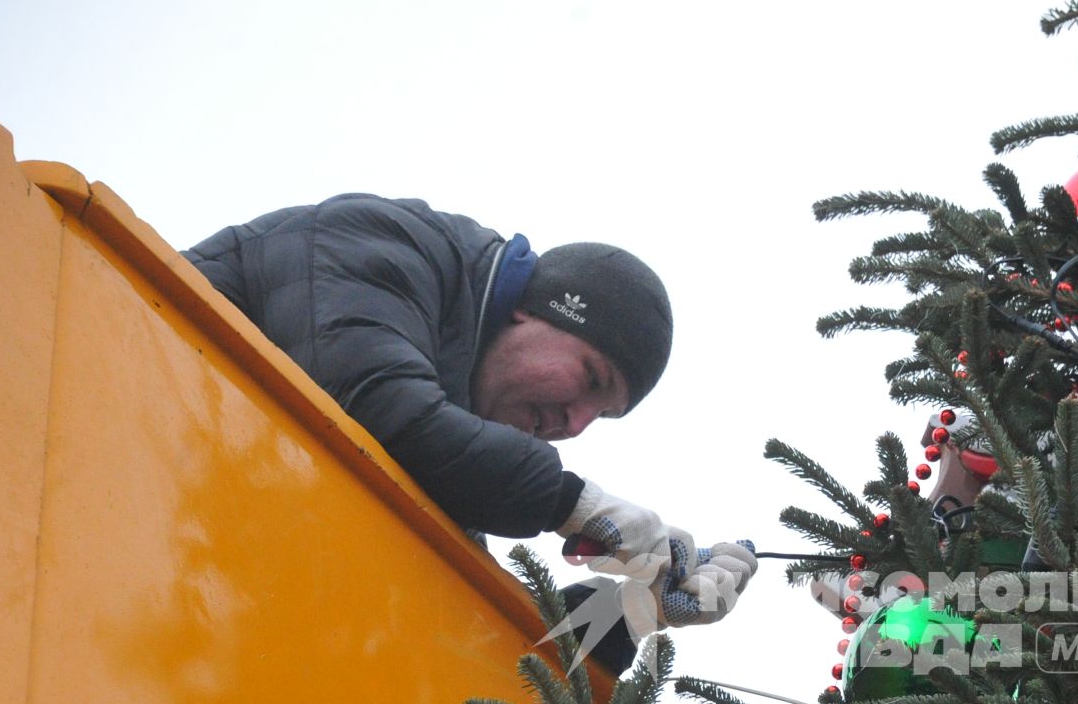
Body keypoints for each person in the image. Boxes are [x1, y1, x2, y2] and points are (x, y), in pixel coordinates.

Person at [183, 193, 754, 670]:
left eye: (599, 417)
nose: (574, 425)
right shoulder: (379, 242)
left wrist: (634, 610)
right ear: (531, 311)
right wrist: (569, 501)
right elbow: (371, 401)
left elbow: (470, 647)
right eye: (589, 379)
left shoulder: (450, 474)